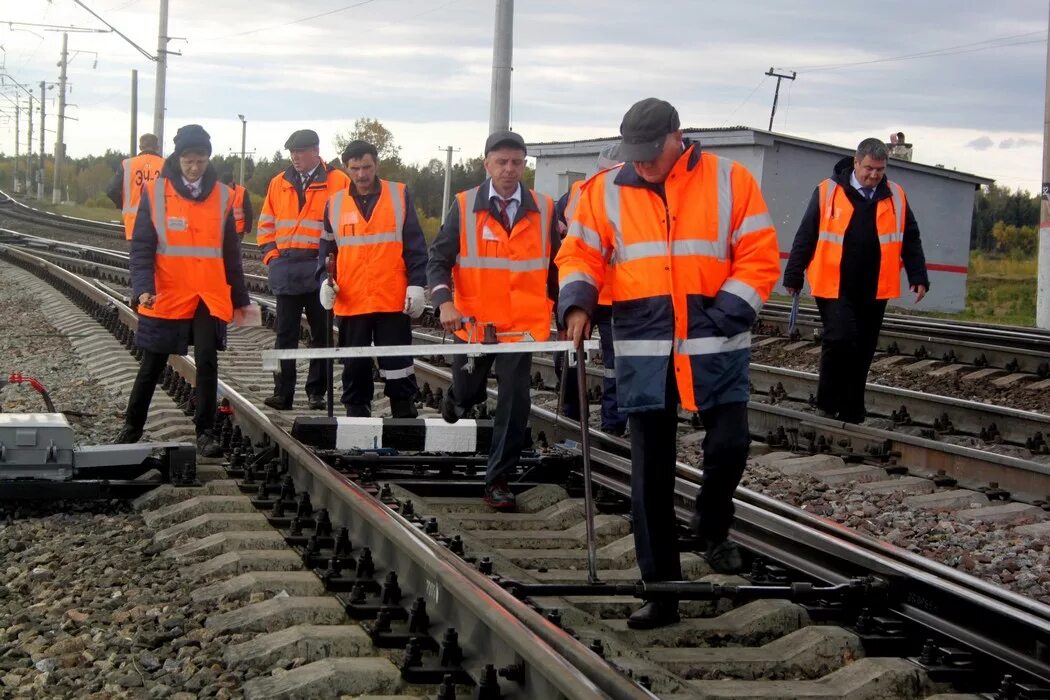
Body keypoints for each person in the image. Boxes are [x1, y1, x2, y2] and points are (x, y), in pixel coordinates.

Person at [558, 98, 780, 629]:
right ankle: (662, 594)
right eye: (632, 153)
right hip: (644, 343)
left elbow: (759, 253)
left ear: (677, 137)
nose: (641, 164)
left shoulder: (732, 180)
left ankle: (712, 518)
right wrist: (578, 303)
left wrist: (726, 312)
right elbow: (580, 252)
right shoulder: (602, 190)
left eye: (650, 153)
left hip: (714, 339)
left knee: (731, 444)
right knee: (649, 475)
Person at [427, 131, 559, 511]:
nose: (509, 169)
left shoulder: (545, 209)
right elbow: (438, 259)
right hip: (474, 325)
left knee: (516, 402)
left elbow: (557, 268)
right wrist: (443, 302)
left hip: (523, 328)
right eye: (501, 162)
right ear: (486, 163)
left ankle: (498, 478)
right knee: (469, 391)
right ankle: (456, 400)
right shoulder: (465, 205)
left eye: (517, 162)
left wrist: (567, 311)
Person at [115, 124, 251, 456]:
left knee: (206, 362)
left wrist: (240, 298)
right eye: (189, 160)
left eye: (201, 160)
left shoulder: (222, 196)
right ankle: (132, 427)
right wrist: (142, 287)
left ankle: (205, 432)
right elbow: (142, 246)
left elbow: (231, 251)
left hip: (207, 293)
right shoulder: (156, 193)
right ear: (179, 158)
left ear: (208, 159)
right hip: (168, 292)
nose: (194, 167)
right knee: (152, 363)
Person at [783, 138, 929, 424]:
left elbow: (910, 237)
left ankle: (852, 409)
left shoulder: (895, 195)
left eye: (880, 169)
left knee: (863, 347)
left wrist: (918, 275)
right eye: (869, 168)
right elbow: (806, 233)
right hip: (834, 283)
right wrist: (794, 273)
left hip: (875, 286)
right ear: (856, 162)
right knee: (840, 339)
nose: (874, 175)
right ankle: (827, 402)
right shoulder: (828, 191)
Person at [318, 140, 428, 418]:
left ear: (376, 164)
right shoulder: (335, 204)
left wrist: (417, 284)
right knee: (354, 362)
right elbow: (327, 250)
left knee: (397, 361)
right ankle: (357, 415)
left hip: (391, 298)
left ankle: (403, 411)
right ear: (346, 168)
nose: (362, 174)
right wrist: (324, 280)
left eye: (366, 167)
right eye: (355, 168)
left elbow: (415, 245)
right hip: (352, 299)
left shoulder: (399, 195)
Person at [257, 130, 351, 411]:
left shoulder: (338, 181)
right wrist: (272, 258)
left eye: (300, 151)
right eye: (292, 152)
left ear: (315, 151)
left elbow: (347, 224)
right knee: (284, 335)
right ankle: (282, 392)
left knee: (321, 335)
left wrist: (335, 266)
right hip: (285, 268)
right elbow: (266, 224)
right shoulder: (278, 183)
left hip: (320, 270)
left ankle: (316, 392)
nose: (295, 157)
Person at [554, 149, 627, 436]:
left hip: (615, 298)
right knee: (569, 359)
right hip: (580, 295)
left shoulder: (635, 198)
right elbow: (559, 243)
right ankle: (573, 419)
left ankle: (613, 428)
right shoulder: (576, 194)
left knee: (616, 365)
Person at [106, 133, 164, 240]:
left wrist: (122, 205)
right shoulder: (166, 165)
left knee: (138, 255)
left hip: (134, 223)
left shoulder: (127, 164)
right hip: (160, 225)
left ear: (140, 147)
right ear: (157, 147)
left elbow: (111, 190)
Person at [220, 172, 254, 237]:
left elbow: (248, 211)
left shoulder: (242, 192)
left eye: (227, 185)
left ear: (231, 182)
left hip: (238, 230)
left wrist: (247, 228)